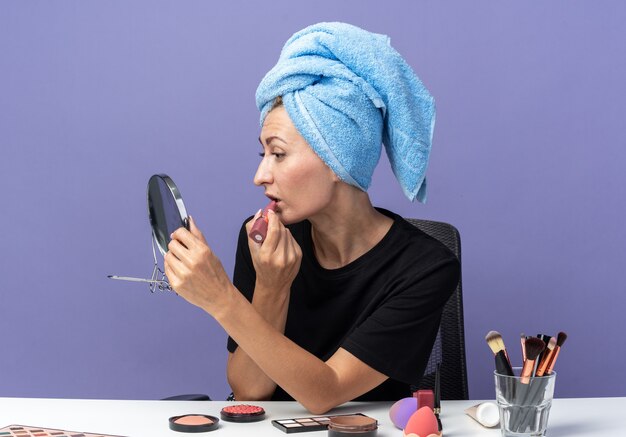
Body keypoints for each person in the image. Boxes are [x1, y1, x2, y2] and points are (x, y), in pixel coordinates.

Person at [164, 22, 460, 414]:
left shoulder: (425, 268)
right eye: (262, 154)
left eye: (279, 154)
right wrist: (272, 287)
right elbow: (251, 391)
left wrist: (220, 297)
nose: (259, 176)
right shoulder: (262, 240)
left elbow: (326, 392)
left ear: (338, 160)